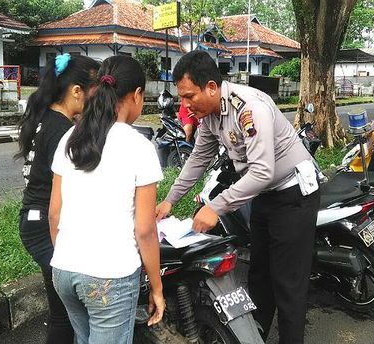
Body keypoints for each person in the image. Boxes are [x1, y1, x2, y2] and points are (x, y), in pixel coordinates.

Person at [155, 50, 320, 344]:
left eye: (189, 96)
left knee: (288, 284)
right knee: (258, 277)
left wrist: (215, 208)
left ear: (211, 87)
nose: (185, 105)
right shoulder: (211, 116)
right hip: (264, 196)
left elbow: (263, 172)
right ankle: (254, 338)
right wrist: (170, 200)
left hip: (294, 194)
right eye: (181, 98)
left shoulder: (248, 108)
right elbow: (197, 160)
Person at [48, 55, 165, 343]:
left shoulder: (70, 139)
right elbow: (145, 230)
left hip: (64, 270)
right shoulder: (139, 146)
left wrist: (71, 255)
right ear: (137, 95)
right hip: (109, 277)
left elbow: (54, 214)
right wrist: (157, 288)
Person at [14, 53, 100, 344]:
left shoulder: (43, 119)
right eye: (95, 94)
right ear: (77, 92)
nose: (97, 102)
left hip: (33, 221)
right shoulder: (64, 131)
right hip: (47, 227)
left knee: (63, 309)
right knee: (66, 314)